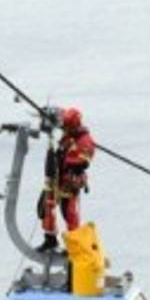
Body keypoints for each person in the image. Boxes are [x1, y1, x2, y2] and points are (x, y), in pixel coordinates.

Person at [35, 107, 96, 253]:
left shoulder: (84, 140)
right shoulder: (69, 133)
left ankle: (73, 245)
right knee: (46, 208)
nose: (65, 129)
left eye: (67, 127)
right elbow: (60, 115)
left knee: (69, 213)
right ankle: (50, 239)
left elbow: (84, 160)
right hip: (55, 177)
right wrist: (49, 114)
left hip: (69, 182)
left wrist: (74, 162)